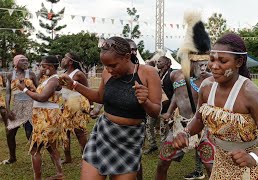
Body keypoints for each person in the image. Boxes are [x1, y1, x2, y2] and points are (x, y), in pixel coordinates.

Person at [173, 33, 258, 179]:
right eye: (212, 59)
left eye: (222, 61)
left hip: (253, 162)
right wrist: (185, 133)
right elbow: (198, 119)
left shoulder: (251, 93)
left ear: (239, 62)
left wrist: (253, 157)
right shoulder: (206, 86)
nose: (214, 66)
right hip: (222, 160)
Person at [59, 36, 162, 180]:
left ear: (127, 57)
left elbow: (156, 111)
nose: (109, 70)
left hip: (129, 140)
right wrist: (74, 85)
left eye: (113, 65)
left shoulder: (148, 73)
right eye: (105, 66)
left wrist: (145, 101)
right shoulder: (107, 73)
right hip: (103, 133)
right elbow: (100, 97)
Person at [155, 12, 213, 180]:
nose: (203, 67)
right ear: (190, 60)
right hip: (179, 127)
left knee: (211, 167)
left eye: (205, 64)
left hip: (203, 127)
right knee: (162, 163)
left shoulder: (210, 79)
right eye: (199, 64)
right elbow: (177, 96)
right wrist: (169, 112)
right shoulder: (176, 76)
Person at [17, 55, 65, 180]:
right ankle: (59, 174)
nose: (41, 69)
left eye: (43, 66)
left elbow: (42, 97)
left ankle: (37, 178)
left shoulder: (54, 80)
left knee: (35, 149)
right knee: (51, 146)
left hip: (47, 118)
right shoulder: (48, 79)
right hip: (45, 117)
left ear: (50, 66)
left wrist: (24, 90)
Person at [2, 54, 37, 164]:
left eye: (27, 60)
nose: (26, 62)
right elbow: (8, 94)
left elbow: (39, 90)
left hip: (30, 107)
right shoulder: (9, 75)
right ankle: (12, 157)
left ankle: (36, 157)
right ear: (15, 63)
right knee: (10, 133)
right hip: (16, 108)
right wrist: (8, 110)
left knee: (29, 133)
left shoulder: (31, 74)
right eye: (22, 60)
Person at [60, 52, 91, 164]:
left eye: (64, 58)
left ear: (70, 62)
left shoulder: (78, 74)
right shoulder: (64, 72)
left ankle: (86, 156)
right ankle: (68, 158)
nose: (62, 60)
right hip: (65, 104)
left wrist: (91, 106)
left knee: (79, 131)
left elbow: (88, 90)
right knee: (64, 131)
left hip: (76, 104)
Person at [144, 55, 174, 154]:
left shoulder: (171, 74)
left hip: (166, 107)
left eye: (160, 62)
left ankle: (163, 150)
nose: (157, 63)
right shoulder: (156, 73)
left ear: (166, 64)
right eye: (157, 62)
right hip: (155, 105)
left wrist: (172, 108)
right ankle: (153, 145)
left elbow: (176, 93)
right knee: (149, 125)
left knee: (163, 130)